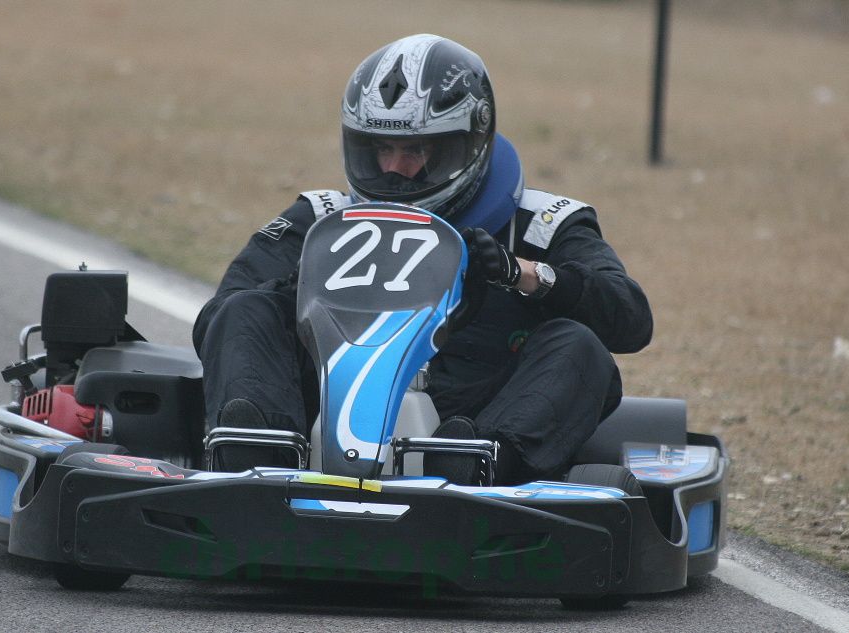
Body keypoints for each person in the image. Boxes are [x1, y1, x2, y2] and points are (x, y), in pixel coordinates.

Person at [192, 33, 653, 484]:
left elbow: (631, 319)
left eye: (416, 150)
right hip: (318, 412)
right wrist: (305, 283)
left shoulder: (540, 224)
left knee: (580, 345)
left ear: (469, 142)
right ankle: (255, 463)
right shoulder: (321, 218)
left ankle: (474, 474)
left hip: (476, 415)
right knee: (246, 309)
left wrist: (524, 274)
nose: (394, 168)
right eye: (382, 149)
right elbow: (220, 317)